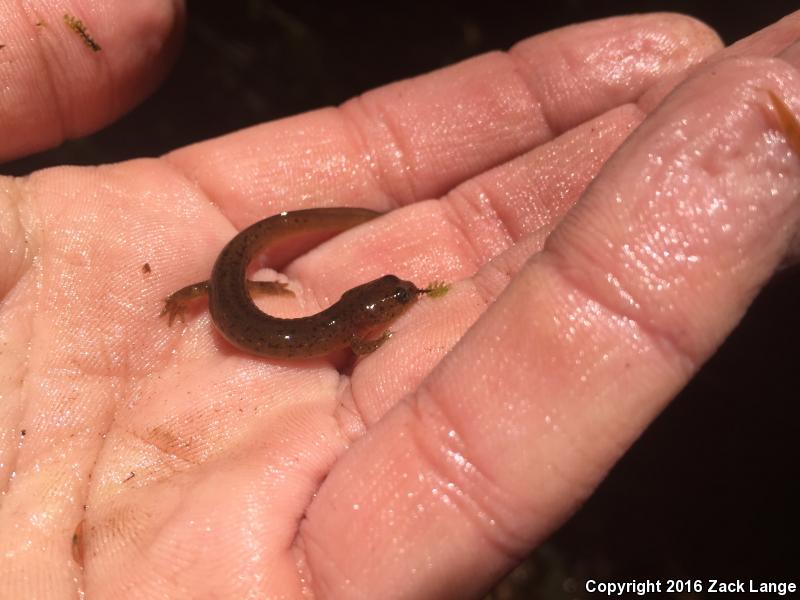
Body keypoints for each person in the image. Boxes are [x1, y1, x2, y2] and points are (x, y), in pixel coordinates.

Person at [1, 6, 798, 598]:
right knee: (224, 287)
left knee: (241, 281)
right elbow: (357, 336)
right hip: (234, 298)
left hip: (253, 297)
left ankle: (239, 278)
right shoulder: (348, 330)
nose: (391, 309)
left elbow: (357, 325)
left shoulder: (345, 323)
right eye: (384, 307)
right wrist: (195, 300)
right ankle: (218, 286)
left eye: (383, 306)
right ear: (364, 315)